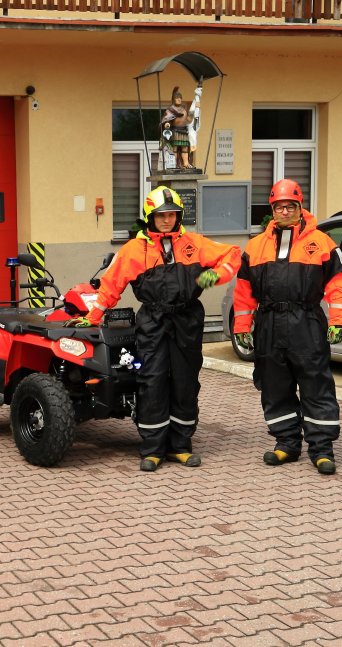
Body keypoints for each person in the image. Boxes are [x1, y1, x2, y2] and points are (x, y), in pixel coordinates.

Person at [67, 186, 241, 472]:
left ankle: (180, 446)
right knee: (152, 382)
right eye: (161, 215)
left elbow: (233, 254)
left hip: (186, 321)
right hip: (153, 321)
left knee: (185, 382)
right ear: (149, 216)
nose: (167, 220)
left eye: (172, 214)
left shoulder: (193, 243)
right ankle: (152, 449)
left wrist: (216, 275)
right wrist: (93, 315)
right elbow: (112, 286)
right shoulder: (135, 250)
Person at [232, 179, 342, 475]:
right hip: (270, 323)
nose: (285, 211)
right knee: (274, 385)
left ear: (300, 208)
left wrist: (338, 320)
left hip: (306, 321)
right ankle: (286, 442)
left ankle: (322, 449)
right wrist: (242, 326)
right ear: (272, 209)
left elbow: (339, 282)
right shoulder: (256, 246)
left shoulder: (321, 242)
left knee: (315, 383)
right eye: (279, 206)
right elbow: (244, 291)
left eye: (290, 206)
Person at [160, 87, 194, 170]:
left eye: (180, 98)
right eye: (177, 98)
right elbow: (165, 120)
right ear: (173, 99)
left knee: (185, 148)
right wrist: (167, 124)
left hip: (184, 131)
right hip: (175, 131)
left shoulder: (183, 110)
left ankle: (186, 163)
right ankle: (173, 163)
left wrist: (194, 112)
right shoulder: (170, 110)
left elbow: (189, 120)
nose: (179, 100)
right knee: (174, 148)